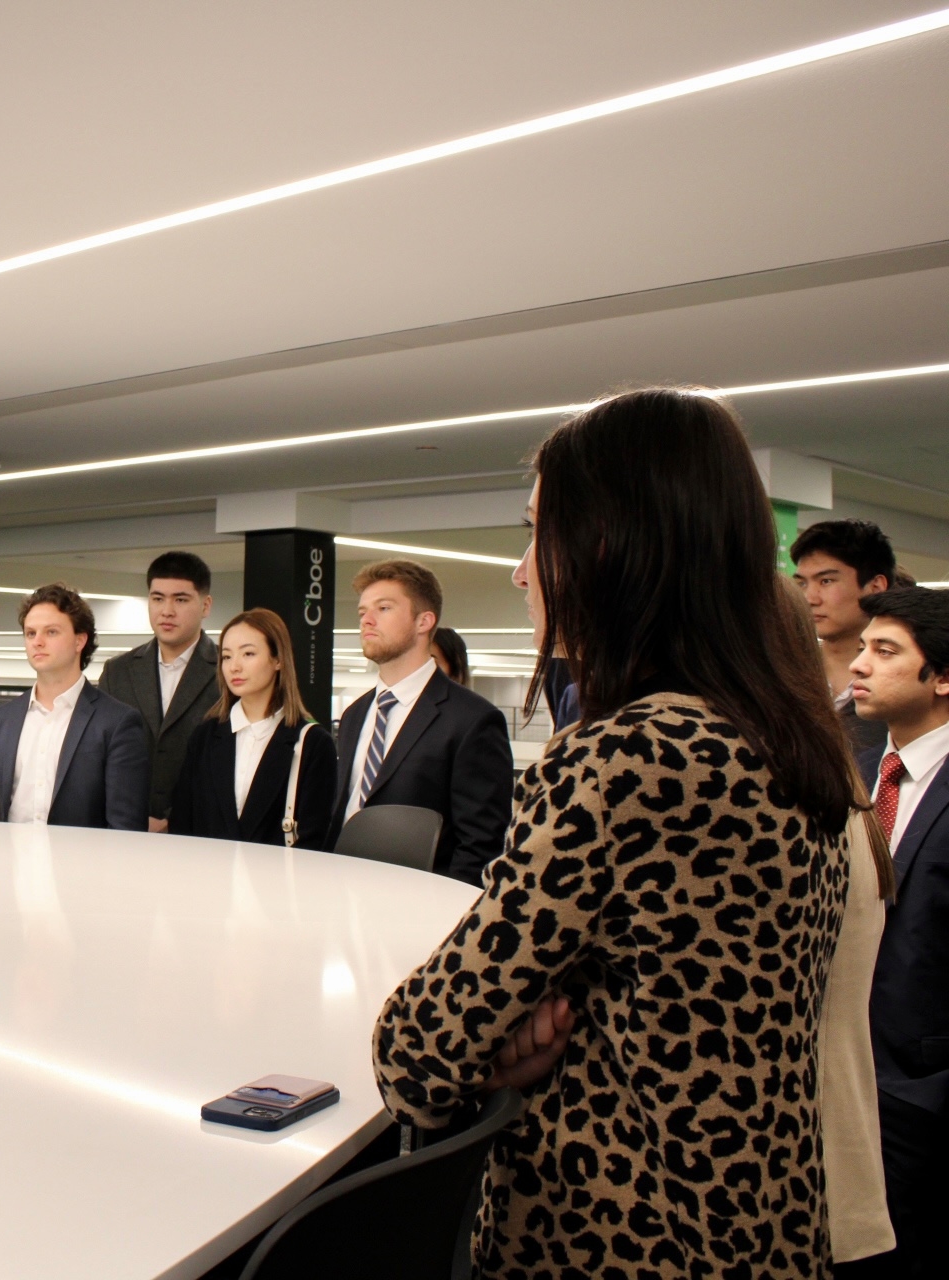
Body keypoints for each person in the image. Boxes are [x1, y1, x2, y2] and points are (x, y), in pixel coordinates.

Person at [375, 388, 860, 1278]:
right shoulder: (787, 735)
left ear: (605, 544)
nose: (522, 571)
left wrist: (503, 1039)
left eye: (536, 532)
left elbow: (419, 1048)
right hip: (768, 1226)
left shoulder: (629, 757)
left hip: (621, 1238)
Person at [847, 586, 949, 1277]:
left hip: (920, 1099)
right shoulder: (852, 769)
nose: (858, 664)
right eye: (863, 647)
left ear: (941, 676)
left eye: (885, 652)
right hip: (842, 1079)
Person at [327, 559, 512, 882]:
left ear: (424, 621)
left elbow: (480, 844)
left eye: (383, 608)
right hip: (342, 890)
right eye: (362, 612)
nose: (366, 620)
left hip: (420, 903)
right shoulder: (355, 714)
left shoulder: (473, 720)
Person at [0, 583, 149, 829]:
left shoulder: (117, 722)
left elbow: (125, 825)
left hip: (81, 863)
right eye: (30, 633)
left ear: (80, 641)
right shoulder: (0, 719)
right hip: (7, 860)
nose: (38, 642)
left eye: (51, 632)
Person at [167, 608, 337, 846]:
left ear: (278, 659)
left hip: (278, 879)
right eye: (226, 656)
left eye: (248, 654)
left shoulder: (313, 743)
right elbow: (183, 823)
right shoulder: (205, 737)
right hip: (207, 877)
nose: (234, 666)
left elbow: (315, 836)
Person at [99, 551, 221, 832]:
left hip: (200, 832)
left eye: (180, 599)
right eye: (157, 599)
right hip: (124, 829)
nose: (167, 610)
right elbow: (101, 755)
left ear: (205, 605)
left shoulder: (227, 672)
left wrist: (174, 820)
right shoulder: (118, 672)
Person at [793, 518, 896, 763]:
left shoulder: (907, 685)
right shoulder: (786, 674)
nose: (810, 598)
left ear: (875, 587)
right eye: (802, 583)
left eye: (826, 581)